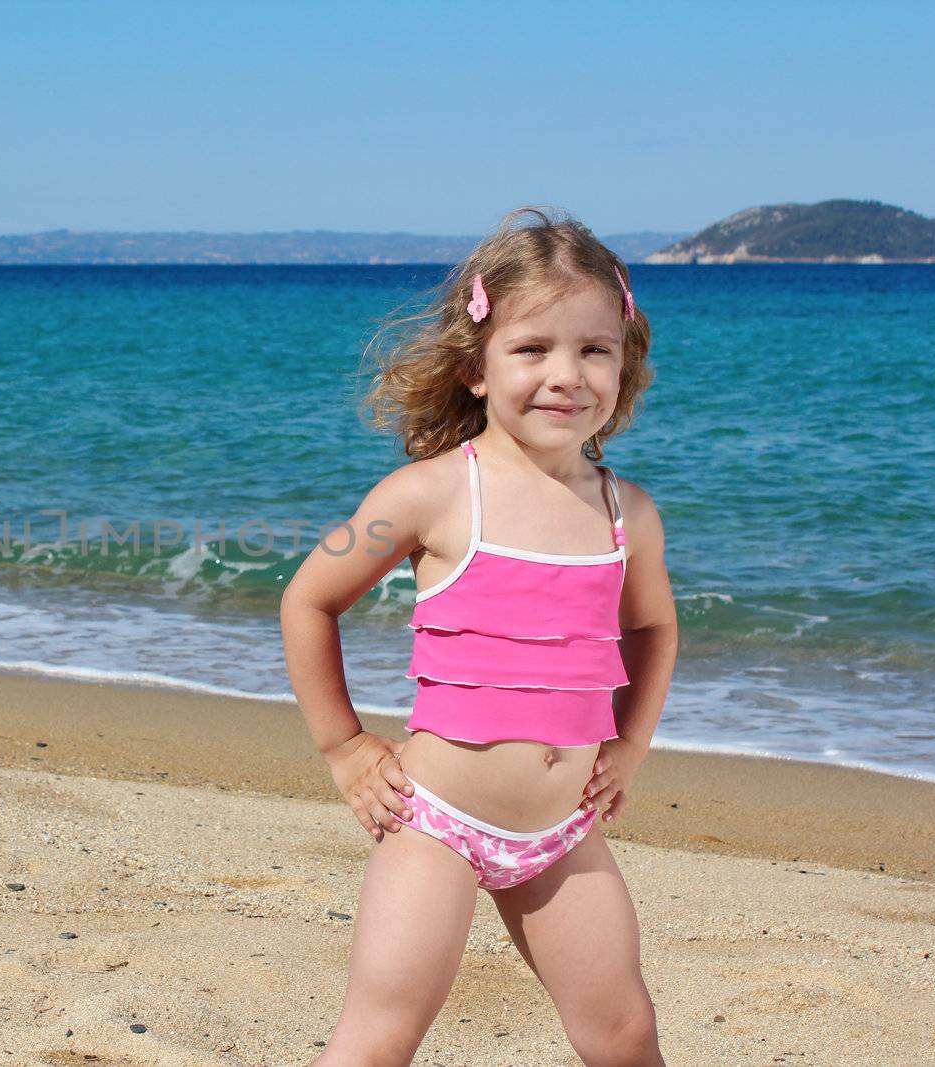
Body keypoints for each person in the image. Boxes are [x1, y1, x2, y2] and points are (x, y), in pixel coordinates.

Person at [280, 206, 678, 1067]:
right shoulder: (429, 495)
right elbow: (309, 600)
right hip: (438, 824)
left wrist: (632, 742)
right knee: (380, 1036)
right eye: (533, 348)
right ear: (476, 366)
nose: (565, 374)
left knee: (624, 1032)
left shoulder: (626, 513)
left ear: (625, 361)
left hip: (563, 832)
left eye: (593, 348)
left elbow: (651, 627)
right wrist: (345, 746)